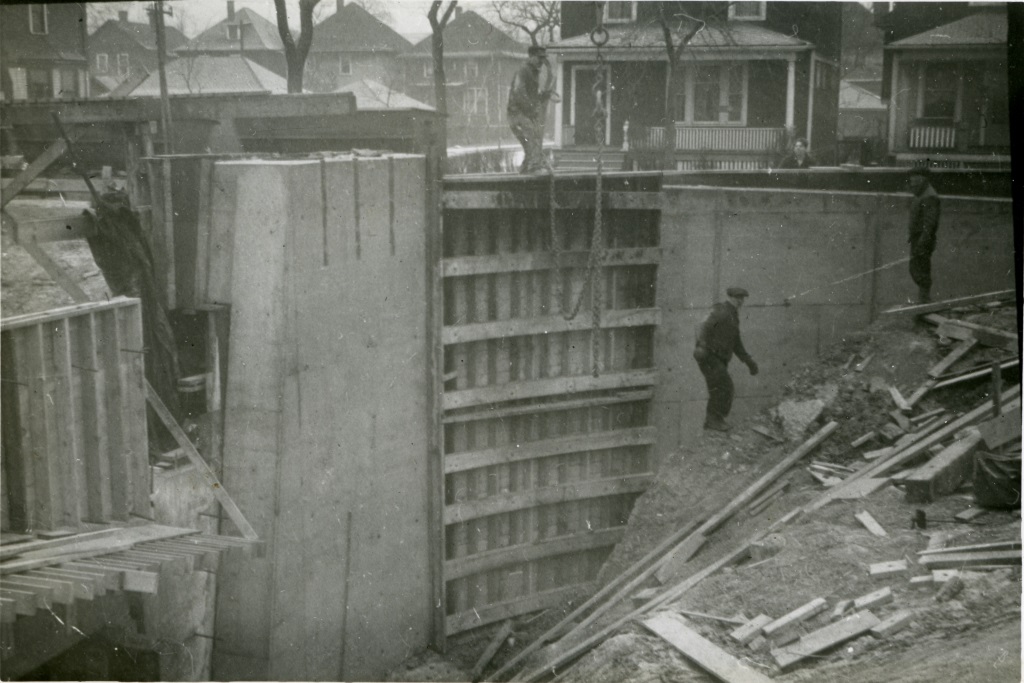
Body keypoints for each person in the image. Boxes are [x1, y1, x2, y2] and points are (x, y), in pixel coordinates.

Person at [693, 287, 759, 432]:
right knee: (724, 387)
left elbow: (736, 342)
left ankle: (713, 421)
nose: (740, 301)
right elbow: (702, 326)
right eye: (737, 298)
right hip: (709, 356)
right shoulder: (722, 312)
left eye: (742, 299)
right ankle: (714, 420)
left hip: (719, 358)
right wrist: (701, 346)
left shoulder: (733, 315)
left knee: (719, 388)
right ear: (730, 297)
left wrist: (748, 361)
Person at [507, 45, 554, 175]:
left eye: (543, 58)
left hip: (522, 114)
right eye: (539, 58)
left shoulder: (533, 72)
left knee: (530, 145)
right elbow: (519, 92)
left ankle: (524, 170)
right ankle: (534, 167)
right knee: (533, 137)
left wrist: (541, 96)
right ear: (531, 57)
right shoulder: (524, 71)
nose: (541, 61)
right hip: (516, 115)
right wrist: (531, 110)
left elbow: (530, 95)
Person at [906, 166, 940, 303]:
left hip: (923, 238)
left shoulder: (929, 196)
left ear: (922, 179)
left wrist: (923, 241)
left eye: (914, 179)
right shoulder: (922, 194)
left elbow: (930, 223)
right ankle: (923, 298)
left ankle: (924, 298)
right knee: (916, 267)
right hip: (918, 238)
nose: (911, 182)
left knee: (921, 268)